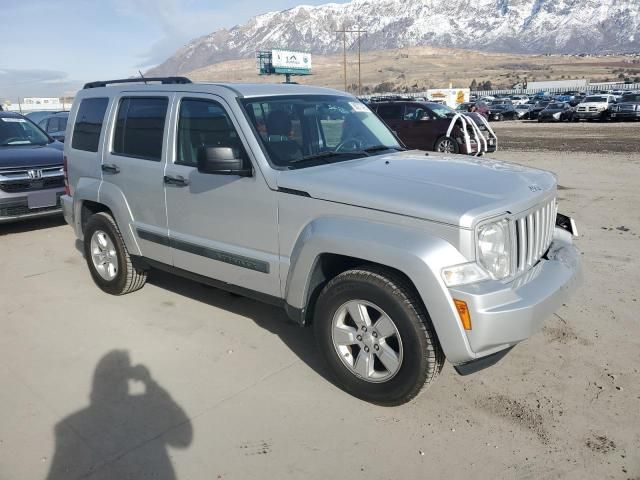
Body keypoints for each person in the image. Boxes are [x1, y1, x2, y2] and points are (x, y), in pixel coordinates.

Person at [46, 350, 192, 480]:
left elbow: (183, 436)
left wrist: (151, 386)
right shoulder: (145, 409)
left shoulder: (73, 425)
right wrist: (150, 384)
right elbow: (183, 436)